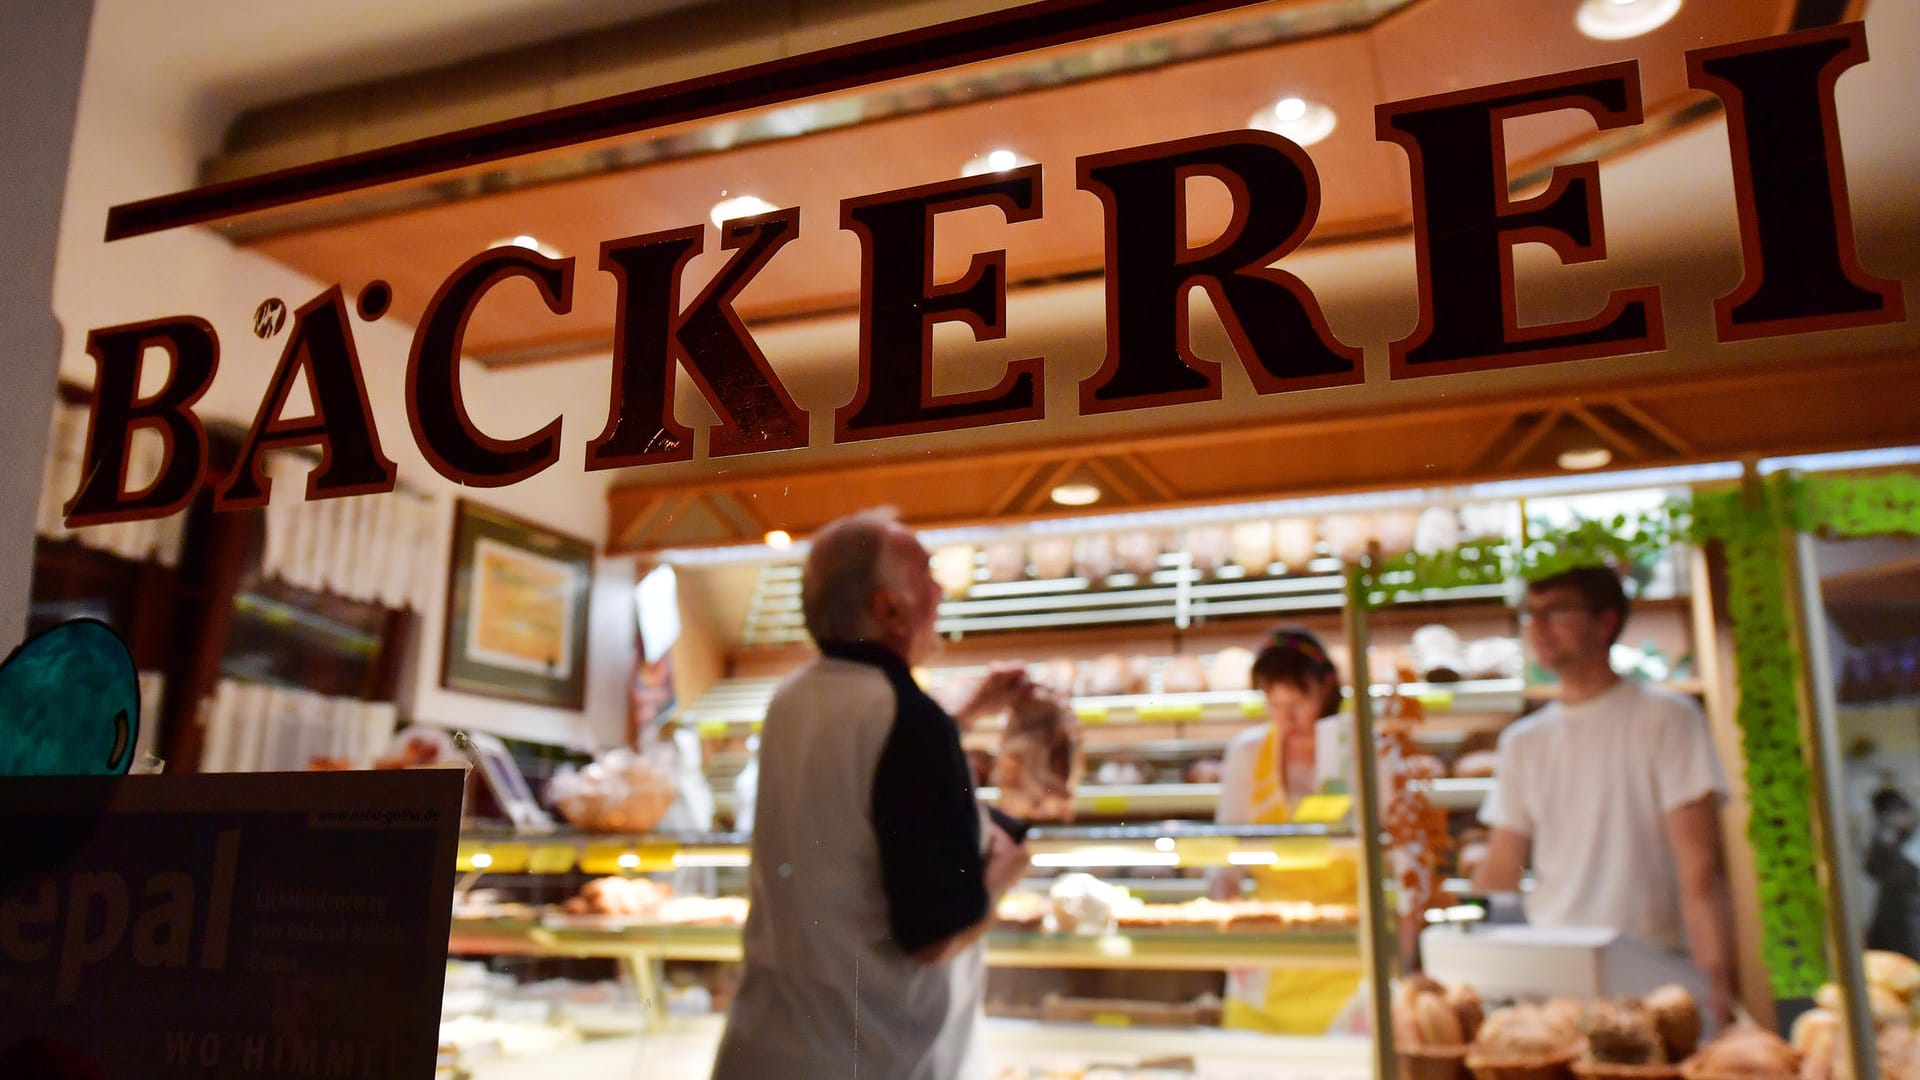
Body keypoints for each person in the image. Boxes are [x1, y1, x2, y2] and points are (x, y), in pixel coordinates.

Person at [711, 507, 1032, 1080]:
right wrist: (1005, 874)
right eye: (928, 574)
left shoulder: (790, 698)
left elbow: (862, 768)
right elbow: (933, 937)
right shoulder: (911, 721)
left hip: (764, 1051)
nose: (940, 590)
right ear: (888, 609)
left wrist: (965, 713)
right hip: (872, 1058)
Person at [1472, 566, 1737, 1025]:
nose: (1538, 627)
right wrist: (1464, 955)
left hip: (1655, 971)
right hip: (1554, 973)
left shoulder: (1668, 719)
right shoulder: (1523, 742)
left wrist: (1718, 984)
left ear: (1606, 621)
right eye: (1530, 613)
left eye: (1556, 611)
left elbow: (1700, 869)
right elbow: (1503, 864)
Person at [1211, 626, 1363, 1034]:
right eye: (1272, 704)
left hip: (1348, 952)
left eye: (1297, 703)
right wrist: (1226, 923)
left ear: (1327, 685)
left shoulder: (1360, 751)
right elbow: (1223, 855)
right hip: (1266, 954)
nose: (1285, 719)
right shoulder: (1247, 752)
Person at [1865, 786, 1920, 959]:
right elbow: (1871, 868)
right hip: (1891, 917)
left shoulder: (1907, 840)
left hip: (1910, 915)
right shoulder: (1887, 840)